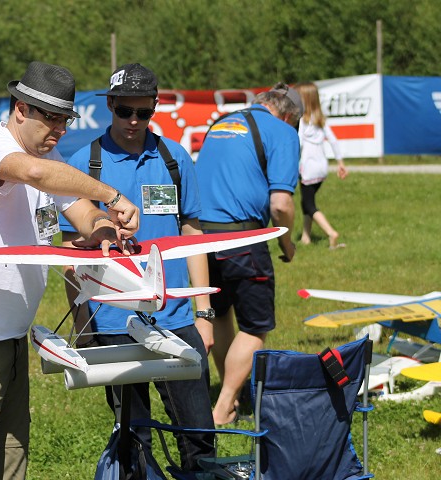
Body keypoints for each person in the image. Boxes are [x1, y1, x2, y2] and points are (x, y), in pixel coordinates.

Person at [0, 61, 140, 480]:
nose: (58, 130)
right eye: (50, 118)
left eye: (65, 120)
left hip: (9, 335)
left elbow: (79, 211)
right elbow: (38, 174)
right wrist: (113, 194)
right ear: (21, 108)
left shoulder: (49, 156)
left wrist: (103, 228)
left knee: (10, 463)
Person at [59, 63, 215, 470]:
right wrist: (81, 320)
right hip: (112, 321)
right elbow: (69, 253)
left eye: (143, 113)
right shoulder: (84, 163)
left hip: (176, 315)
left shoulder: (174, 157)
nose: (133, 121)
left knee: (199, 434)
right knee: (134, 441)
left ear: (155, 108)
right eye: (124, 111)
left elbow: (191, 233)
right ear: (109, 104)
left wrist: (204, 313)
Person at [194, 83, 302, 425]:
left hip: (199, 239)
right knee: (256, 326)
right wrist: (287, 243)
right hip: (243, 237)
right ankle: (224, 405)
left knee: (222, 313)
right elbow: (281, 204)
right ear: (288, 116)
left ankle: (232, 393)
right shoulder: (283, 132)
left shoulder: (221, 122)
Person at [296, 82, 348, 249]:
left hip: (308, 167)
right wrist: (340, 163)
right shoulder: (321, 120)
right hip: (321, 167)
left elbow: (299, 143)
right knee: (307, 200)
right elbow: (333, 140)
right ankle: (306, 237)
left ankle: (331, 233)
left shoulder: (302, 122)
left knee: (308, 204)